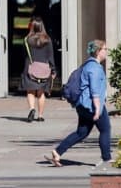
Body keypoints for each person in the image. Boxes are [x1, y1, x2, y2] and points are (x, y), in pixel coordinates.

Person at [47, 39, 111, 168]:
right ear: (98, 51)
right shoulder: (95, 68)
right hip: (91, 105)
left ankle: (58, 151)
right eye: (105, 49)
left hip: (82, 105)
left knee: (81, 132)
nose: (106, 52)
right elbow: (94, 90)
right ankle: (106, 158)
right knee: (105, 129)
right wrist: (98, 108)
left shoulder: (87, 65)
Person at [22, 17, 55, 123]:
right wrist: (53, 69)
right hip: (44, 69)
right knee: (41, 93)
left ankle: (32, 109)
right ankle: (40, 116)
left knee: (30, 91)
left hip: (30, 67)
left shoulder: (28, 39)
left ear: (32, 26)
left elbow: (25, 54)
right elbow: (50, 55)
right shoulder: (47, 39)